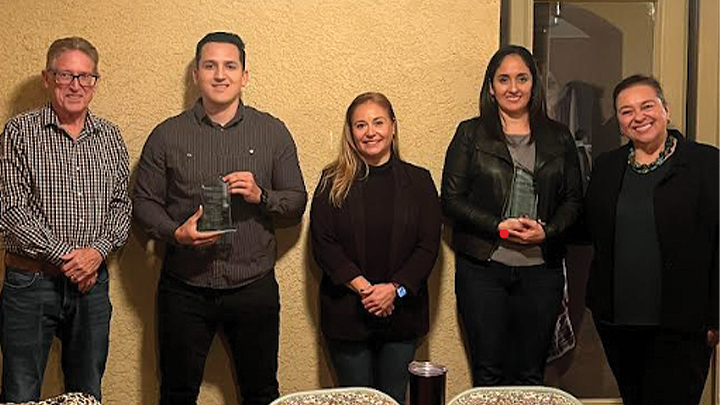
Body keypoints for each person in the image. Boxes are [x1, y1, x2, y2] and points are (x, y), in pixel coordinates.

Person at [132, 32, 306, 405]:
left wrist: (262, 197)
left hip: (253, 285)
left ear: (245, 76)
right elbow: (143, 203)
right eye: (210, 66)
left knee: (261, 392)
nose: (220, 75)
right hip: (184, 287)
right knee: (176, 393)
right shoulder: (166, 135)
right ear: (196, 74)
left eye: (230, 66)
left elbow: (296, 203)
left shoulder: (272, 132)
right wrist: (175, 233)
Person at [441, 45, 583, 386]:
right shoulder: (470, 133)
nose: (513, 87)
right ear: (491, 86)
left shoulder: (559, 136)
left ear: (533, 84)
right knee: (487, 374)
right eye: (503, 79)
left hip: (541, 273)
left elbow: (575, 202)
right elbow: (450, 200)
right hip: (482, 270)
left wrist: (547, 233)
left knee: (531, 375)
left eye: (522, 78)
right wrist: (498, 227)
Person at [0, 36, 131, 402]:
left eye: (85, 77)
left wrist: (98, 252)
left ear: (94, 82)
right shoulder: (19, 132)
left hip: (92, 287)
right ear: (47, 78)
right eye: (65, 75)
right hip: (30, 284)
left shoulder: (110, 136)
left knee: (86, 394)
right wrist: (70, 257)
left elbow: (122, 205)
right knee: (20, 393)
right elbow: (10, 211)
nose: (76, 85)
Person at [585, 74, 720, 405]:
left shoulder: (706, 163)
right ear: (618, 121)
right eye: (626, 111)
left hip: (683, 322)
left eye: (647, 106)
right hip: (618, 321)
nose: (638, 117)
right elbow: (587, 227)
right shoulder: (607, 167)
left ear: (665, 109)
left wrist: (716, 314)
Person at [310, 92, 441, 403]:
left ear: (393, 127)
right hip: (347, 314)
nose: (370, 132)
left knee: (393, 398)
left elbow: (427, 247)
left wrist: (394, 290)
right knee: (357, 401)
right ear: (351, 133)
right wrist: (367, 291)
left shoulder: (420, 181)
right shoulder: (332, 180)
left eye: (378, 122)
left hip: (402, 312)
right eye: (360, 125)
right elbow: (324, 244)